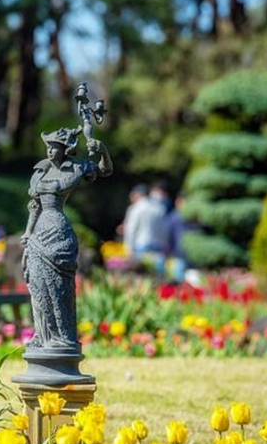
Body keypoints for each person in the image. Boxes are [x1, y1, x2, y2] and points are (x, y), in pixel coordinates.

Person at [20, 126, 113, 349]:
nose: (50, 152)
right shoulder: (40, 172)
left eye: (55, 148)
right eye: (48, 148)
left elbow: (105, 170)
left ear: (65, 150)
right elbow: (34, 207)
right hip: (39, 233)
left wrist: (102, 150)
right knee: (38, 284)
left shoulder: (76, 168)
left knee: (59, 286)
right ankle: (43, 335)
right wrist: (27, 232)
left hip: (59, 231)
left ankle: (63, 337)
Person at [122, 183, 168, 273]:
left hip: (140, 246)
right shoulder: (158, 208)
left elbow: (131, 229)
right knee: (156, 275)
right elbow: (163, 230)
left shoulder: (136, 208)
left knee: (142, 275)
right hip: (157, 246)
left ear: (138, 194)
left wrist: (128, 247)